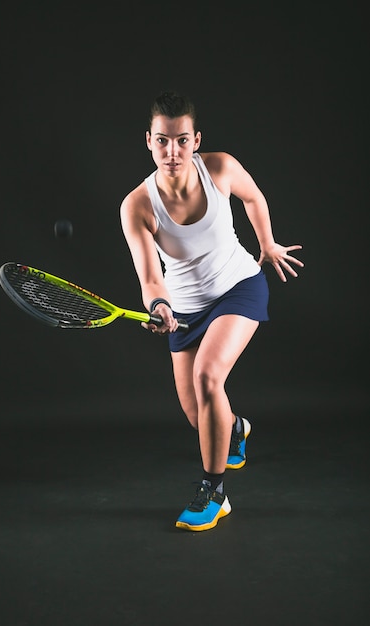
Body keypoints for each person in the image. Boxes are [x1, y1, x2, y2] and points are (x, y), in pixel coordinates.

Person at [120, 91, 303, 532]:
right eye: (163, 141)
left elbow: (254, 199)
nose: (172, 151)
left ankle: (213, 492)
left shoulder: (219, 168)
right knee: (198, 415)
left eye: (182, 140)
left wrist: (267, 244)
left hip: (238, 287)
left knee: (208, 378)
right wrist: (159, 305)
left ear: (196, 140)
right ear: (149, 141)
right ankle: (236, 429)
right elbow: (149, 277)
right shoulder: (138, 206)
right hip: (182, 307)